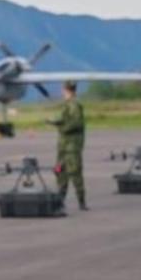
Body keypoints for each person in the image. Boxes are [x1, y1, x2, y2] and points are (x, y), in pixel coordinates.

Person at [49, 81, 87, 210]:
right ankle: (60, 201)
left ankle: (81, 201)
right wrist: (54, 121)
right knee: (60, 171)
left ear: (66, 90)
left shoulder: (74, 105)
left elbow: (76, 123)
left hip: (72, 146)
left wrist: (61, 127)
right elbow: (66, 120)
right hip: (63, 146)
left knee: (75, 172)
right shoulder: (67, 105)